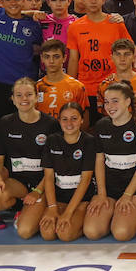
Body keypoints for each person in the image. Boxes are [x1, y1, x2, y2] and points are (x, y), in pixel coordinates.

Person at [0, 79, 58, 237]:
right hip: (17, 184)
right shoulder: (5, 122)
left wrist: (38, 191)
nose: (24, 99)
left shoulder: (50, 124)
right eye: (19, 95)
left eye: (29, 94)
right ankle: (20, 207)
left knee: (25, 232)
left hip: (43, 185)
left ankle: (37, 209)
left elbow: (55, 166)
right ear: (12, 98)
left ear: (37, 97)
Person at [83, 80, 136, 240]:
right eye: (107, 102)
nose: (109, 106)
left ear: (128, 101)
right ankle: (112, 212)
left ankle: (130, 214)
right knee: (92, 232)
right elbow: (99, 161)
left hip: (134, 188)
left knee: (121, 233)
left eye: (115, 101)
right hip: (109, 187)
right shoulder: (101, 126)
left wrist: (128, 195)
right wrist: (101, 194)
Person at [35, 102, 95, 241]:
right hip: (60, 197)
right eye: (64, 119)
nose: (69, 123)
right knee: (48, 233)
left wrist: (68, 213)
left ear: (82, 120)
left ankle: (82, 222)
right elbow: (49, 177)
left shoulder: (89, 141)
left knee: (65, 234)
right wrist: (52, 208)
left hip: (82, 200)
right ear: (59, 121)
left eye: (74, 118)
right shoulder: (52, 140)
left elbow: (86, 180)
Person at [67, 0, 132, 107]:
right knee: (87, 125)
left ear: (103, 0)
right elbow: (74, 59)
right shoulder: (75, 27)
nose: (93, 1)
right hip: (86, 85)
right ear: (83, 0)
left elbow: (131, 50)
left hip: (112, 85)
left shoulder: (115, 23)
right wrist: (71, 85)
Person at [34, 39, 88, 118]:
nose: (51, 61)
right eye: (47, 57)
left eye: (56, 57)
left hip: (69, 130)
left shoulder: (77, 87)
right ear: (42, 58)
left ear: (64, 58)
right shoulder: (36, 87)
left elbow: (84, 118)